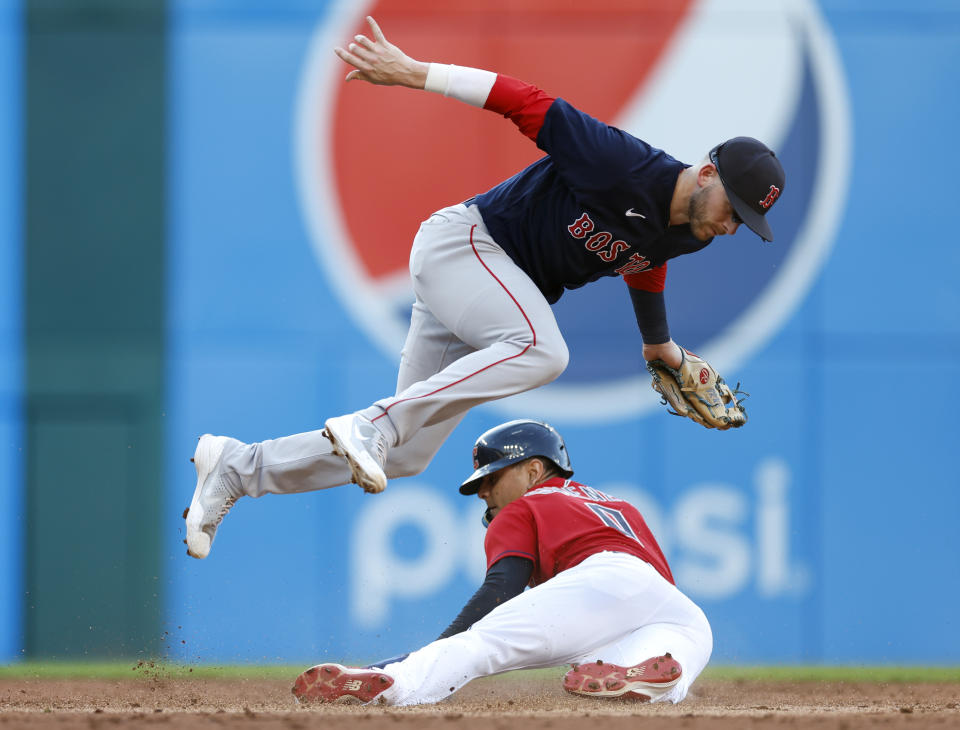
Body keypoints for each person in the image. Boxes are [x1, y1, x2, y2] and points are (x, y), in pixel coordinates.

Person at [184, 17, 785, 559]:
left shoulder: (694, 230)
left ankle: (239, 468)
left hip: (487, 290)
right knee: (543, 352)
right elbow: (525, 101)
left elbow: (644, 257)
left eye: (743, 220)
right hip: (466, 245)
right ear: (706, 173)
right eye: (731, 206)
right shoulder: (621, 164)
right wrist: (414, 73)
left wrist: (659, 345)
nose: (731, 225)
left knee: (406, 456)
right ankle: (375, 421)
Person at [290, 419, 712, 706]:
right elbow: (645, 589)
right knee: (661, 659)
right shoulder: (617, 505)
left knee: (480, 645)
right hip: (675, 608)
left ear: (533, 471)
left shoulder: (524, 507)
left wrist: (422, 654)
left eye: (492, 478)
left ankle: (393, 684)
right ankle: (651, 675)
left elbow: (500, 589)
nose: (482, 492)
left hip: (599, 582)